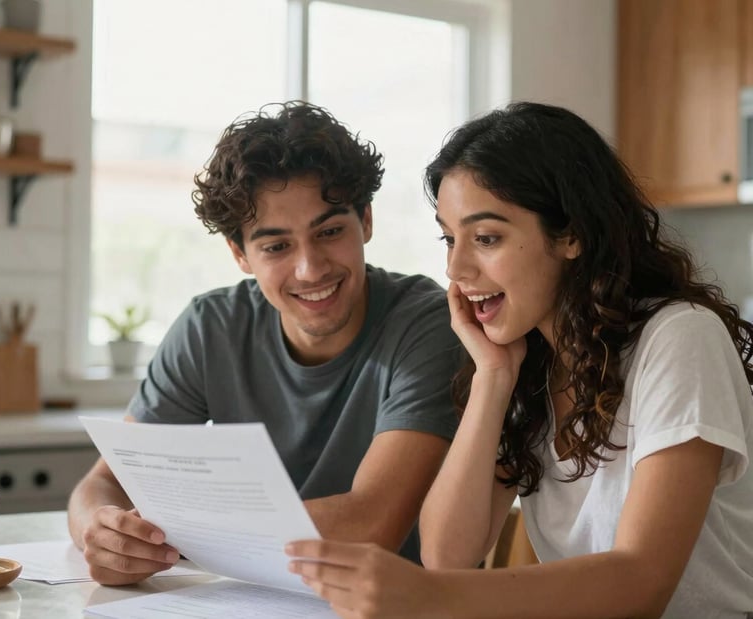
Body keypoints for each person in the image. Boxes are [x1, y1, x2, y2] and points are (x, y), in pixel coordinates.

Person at [286, 102, 753, 619]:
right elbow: (448, 555)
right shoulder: (528, 363)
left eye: (486, 238)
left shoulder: (679, 337)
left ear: (572, 233)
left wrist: (429, 597)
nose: (456, 267)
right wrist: (493, 376)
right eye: (449, 238)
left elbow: (641, 582)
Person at [68, 101, 461, 586]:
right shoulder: (210, 327)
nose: (310, 268)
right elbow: (104, 483)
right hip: (244, 599)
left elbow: (369, 524)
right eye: (276, 246)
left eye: (331, 231)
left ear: (367, 221)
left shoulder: (427, 323)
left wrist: (179, 529)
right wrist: (103, 532)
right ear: (240, 254)